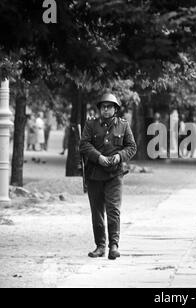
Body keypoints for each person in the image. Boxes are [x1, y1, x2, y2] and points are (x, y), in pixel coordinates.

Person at [80, 93, 137, 260]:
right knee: (97, 212)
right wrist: (98, 157)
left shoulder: (123, 126)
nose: (106, 110)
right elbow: (84, 144)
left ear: (115, 109)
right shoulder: (91, 125)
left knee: (113, 210)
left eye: (109, 107)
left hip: (115, 174)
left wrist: (120, 156)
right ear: (100, 109)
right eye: (103, 107)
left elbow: (132, 146)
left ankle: (114, 245)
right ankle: (100, 246)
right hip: (94, 174)